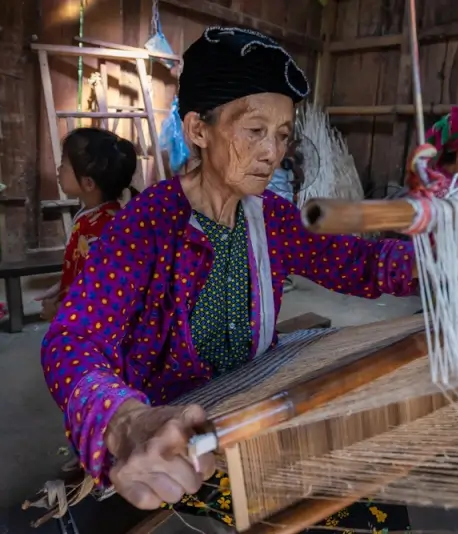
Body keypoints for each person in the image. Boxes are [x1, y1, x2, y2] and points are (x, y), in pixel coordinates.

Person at [40, 27, 418, 532]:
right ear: (198, 129)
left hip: (253, 399)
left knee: (371, 480)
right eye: (255, 130)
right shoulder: (147, 226)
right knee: (356, 515)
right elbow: (71, 339)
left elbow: (360, 263)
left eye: (283, 135)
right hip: (184, 430)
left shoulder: (270, 218)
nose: (272, 152)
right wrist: (124, 420)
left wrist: (443, 259)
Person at [36, 128, 137, 321]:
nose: (59, 170)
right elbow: (81, 270)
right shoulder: (89, 216)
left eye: (64, 165)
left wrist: (59, 313)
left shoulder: (104, 232)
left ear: (89, 183)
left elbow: (102, 300)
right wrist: (61, 287)